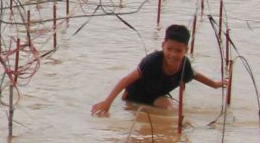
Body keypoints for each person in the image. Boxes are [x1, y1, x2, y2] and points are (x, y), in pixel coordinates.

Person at [91, 23, 225, 115]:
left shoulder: (185, 65)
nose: (173, 54)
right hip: (133, 96)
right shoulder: (152, 61)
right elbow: (126, 80)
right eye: (169, 49)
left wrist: (215, 85)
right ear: (163, 46)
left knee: (170, 111)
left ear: (186, 50)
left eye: (178, 51)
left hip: (155, 97)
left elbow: (194, 75)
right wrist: (107, 102)